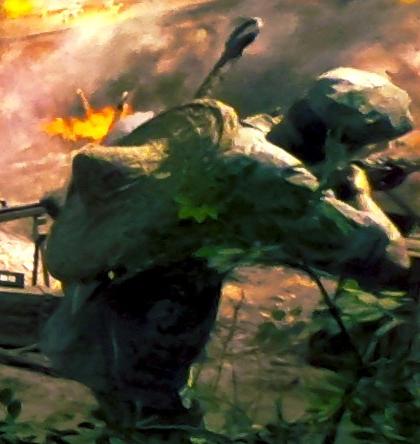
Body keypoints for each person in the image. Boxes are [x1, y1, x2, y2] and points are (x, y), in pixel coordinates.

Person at [41, 69, 414, 424]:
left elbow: (276, 155)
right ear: (340, 140)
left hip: (102, 309)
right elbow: (390, 259)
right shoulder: (278, 180)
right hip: (140, 330)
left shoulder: (238, 136)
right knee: (151, 426)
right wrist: (357, 189)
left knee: (127, 416)